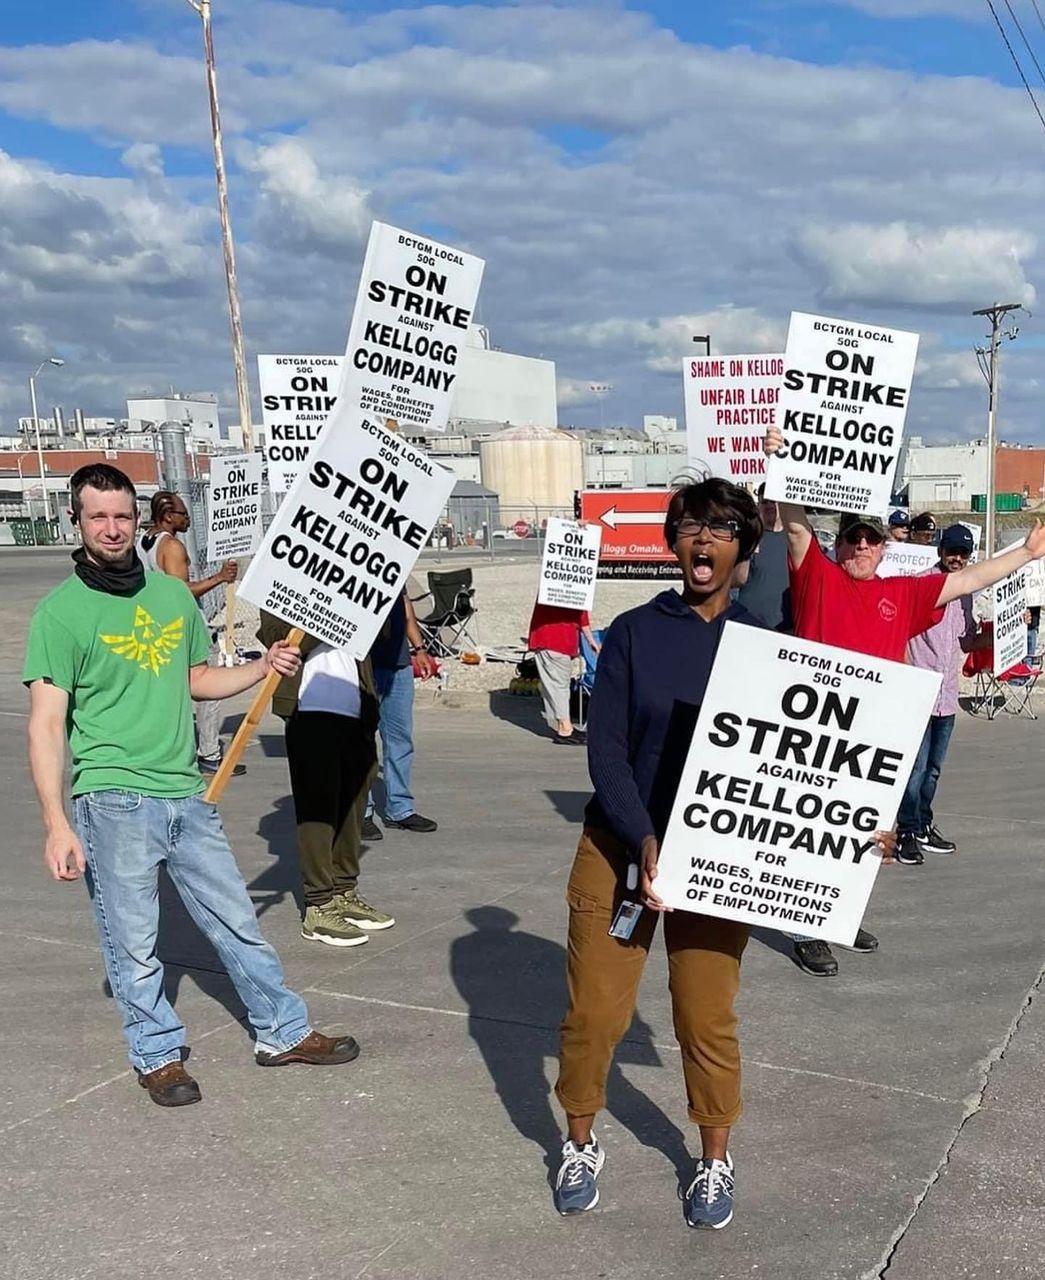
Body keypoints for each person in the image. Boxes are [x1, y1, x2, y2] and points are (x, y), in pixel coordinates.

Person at [25, 464, 360, 1108]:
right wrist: (56, 822)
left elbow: (196, 680)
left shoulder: (172, 597)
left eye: (122, 516)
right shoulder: (60, 614)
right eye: (98, 516)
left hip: (186, 792)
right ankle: (157, 1054)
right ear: (77, 521)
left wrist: (263, 666)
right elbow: (45, 724)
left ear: (137, 520)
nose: (112, 528)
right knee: (133, 942)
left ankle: (282, 1032)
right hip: (113, 798)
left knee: (237, 921)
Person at [554, 478, 773, 1230]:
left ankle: (713, 1159)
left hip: (715, 861)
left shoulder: (764, 646)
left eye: (721, 528)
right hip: (618, 847)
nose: (703, 540)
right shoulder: (633, 633)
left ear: (743, 548)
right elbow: (607, 750)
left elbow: (798, 767)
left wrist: (854, 831)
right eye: (689, 527)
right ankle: (579, 1142)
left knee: (705, 1019)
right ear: (672, 543)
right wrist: (642, 836)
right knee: (593, 1013)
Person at [764, 424, 1045, 976]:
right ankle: (805, 930)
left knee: (865, 834)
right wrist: (781, 462)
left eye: (870, 540)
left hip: (873, 735)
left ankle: (839, 915)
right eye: (852, 538)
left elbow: (970, 581)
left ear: (884, 546)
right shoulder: (816, 577)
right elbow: (793, 523)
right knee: (812, 833)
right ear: (838, 544)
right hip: (817, 730)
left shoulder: (903, 593)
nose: (861, 546)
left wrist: (1027, 554)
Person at [259, 613, 393, 946]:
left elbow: (383, 633)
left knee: (354, 805)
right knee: (317, 810)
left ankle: (344, 890)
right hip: (309, 707)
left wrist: (368, 609)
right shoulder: (286, 587)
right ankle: (318, 905)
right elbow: (276, 638)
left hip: (356, 705)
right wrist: (331, 615)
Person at [896, 525, 988, 865]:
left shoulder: (966, 594)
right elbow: (898, 631)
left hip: (947, 697)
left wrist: (1002, 636)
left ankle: (923, 824)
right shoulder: (921, 585)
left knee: (933, 769)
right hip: (918, 693)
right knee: (915, 768)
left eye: (963, 553)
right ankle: (906, 831)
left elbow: (967, 642)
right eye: (952, 551)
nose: (957, 558)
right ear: (940, 550)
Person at [137, 490, 242, 778]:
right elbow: (181, 591)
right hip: (186, 627)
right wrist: (219, 578)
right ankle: (209, 753)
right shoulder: (171, 546)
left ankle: (165, 751)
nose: (188, 520)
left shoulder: (143, 542)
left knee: (170, 691)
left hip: (157, 626)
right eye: (183, 514)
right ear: (168, 516)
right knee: (208, 689)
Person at [362, 589, 438, 841]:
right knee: (361, 741)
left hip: (399, 663)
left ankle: (400, 809)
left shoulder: (395, 567)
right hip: (363, 664)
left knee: (400, 739)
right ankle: (361, 812)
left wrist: (420, 648)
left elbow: (405, 606)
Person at [527, 600, 600, 745]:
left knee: (558, 686)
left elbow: (582, 617)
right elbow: (583, 618)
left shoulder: (549, 591)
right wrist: (591, 641)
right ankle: (565, 729)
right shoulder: (576, 594)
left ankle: (566, 726)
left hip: (549, 640)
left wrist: (591, 641)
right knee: (560, 687)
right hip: (558, 642)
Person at [735, 484, 792, 630]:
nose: (769, 506)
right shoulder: (751, 536)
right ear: (759, 505)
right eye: (765, 502)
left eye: (773, 501)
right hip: (749, 623)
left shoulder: (793, 540)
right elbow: (737, 579)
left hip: (784, 625)